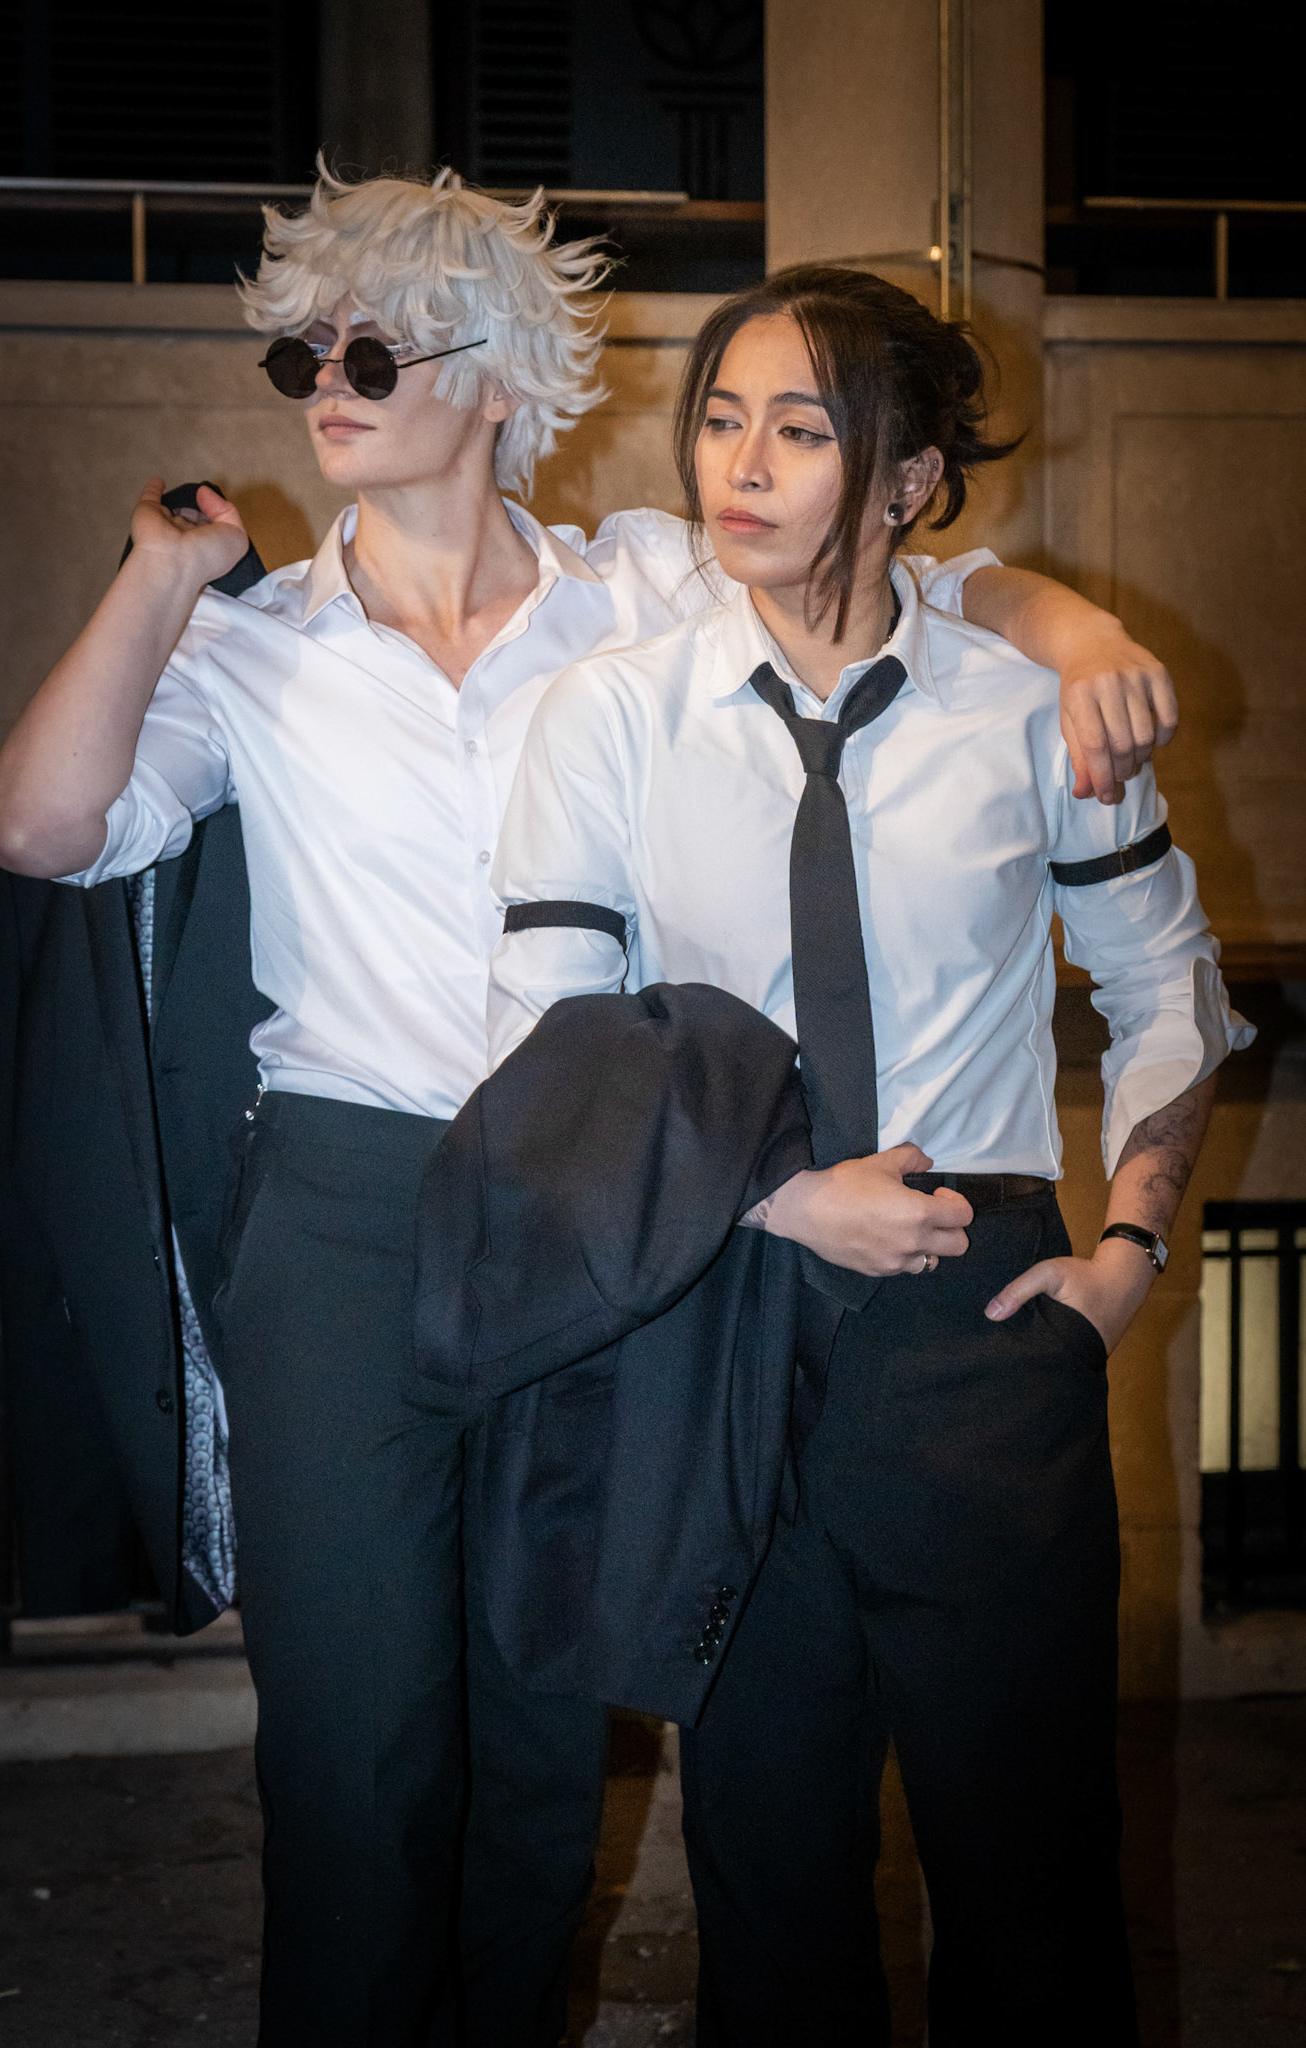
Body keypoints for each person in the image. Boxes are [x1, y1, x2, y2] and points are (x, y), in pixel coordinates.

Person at [0, 162, 1183, 2047]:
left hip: (598, 1209)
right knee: (359, 1740)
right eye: (302, 352)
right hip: (355, 1201)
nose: (322, 386)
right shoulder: (252, 645)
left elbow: (904, 568)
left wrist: (1076, 633)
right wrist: (155, 580)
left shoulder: (633, 580)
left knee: (548, 1722)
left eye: (370, 350)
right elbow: (46, 830)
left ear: (494, 378)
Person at [486, 263, 1253, 2045]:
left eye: (799, 428)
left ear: (908, 478)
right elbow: (550, 1044)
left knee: (1033, 1875)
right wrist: (771, 1200)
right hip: (732, 1308)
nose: (738, 465)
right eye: (719, 420)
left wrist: (1125, 1256)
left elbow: (1169, 987)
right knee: (768, 1878)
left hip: (985, 1323)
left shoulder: (1027, 709)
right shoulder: (612, 713)